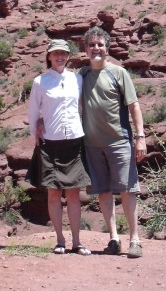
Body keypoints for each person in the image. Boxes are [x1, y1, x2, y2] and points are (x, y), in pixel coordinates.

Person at [80, 27, 147, 258]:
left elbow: (134, 106)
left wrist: (140, 137)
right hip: (92, 144)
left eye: (100, 44)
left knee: (128, 190)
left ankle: (135, 239)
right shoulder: (81, 76)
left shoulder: (118, 73)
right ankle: (113, 239)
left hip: (119, 141)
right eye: (91, 45)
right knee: (103, 192)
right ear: (85, 49)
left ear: (107, 48)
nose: (96, 48)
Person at [28, 39, 91, 255]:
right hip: (50, 142)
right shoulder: (40, 82)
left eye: (63, 53)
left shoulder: (77, 79)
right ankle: (60, 240)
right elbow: (34, 111)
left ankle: (77, 241)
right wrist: (34, 132)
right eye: (55, 53)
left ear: (68, 56)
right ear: (48, 57)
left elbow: (82, 106)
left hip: (74, 140)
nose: (60, 57)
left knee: (74, 194)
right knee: (54, 193)